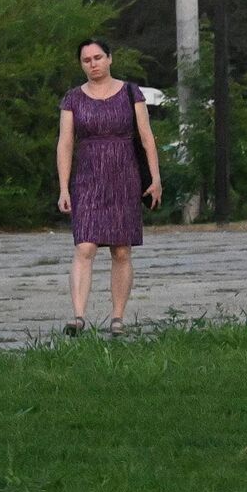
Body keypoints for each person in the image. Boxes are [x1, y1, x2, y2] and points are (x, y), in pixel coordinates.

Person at [56, 38, 162, 336]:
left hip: (124, 176)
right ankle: (78, 316)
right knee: (84, 245)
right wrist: (64, 188)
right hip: (87, 178)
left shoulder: (131, 93)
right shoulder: (72, 99)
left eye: (98, 57)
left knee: (121, 250)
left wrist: (155, 179)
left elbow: (146, 137)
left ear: (110, 59)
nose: (93, 64)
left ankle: (117, 318)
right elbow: (65, 143)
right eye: (86, 60)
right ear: (81, 65)